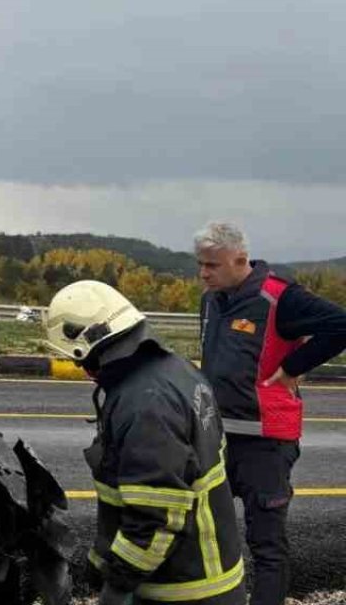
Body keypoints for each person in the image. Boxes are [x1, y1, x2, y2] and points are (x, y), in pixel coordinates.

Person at [45, 280, 244, 605]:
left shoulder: (145, 404)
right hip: (211, 579)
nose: (82, 370)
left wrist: (116, 587)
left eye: (78, 360)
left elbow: (155, 516)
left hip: (184, 589)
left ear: (87, 345)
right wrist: (101, 562)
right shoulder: (176, 370)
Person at [194, 222, 346, 605]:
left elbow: (341, 325)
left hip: (266, 443)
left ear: (240, 260)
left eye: (212, 265)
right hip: (216, 439)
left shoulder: (280, 298)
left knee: (266, 543)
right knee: (203, 532)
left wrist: (294, 366)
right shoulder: (210, 300)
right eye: (200, 264)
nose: (203, 273)